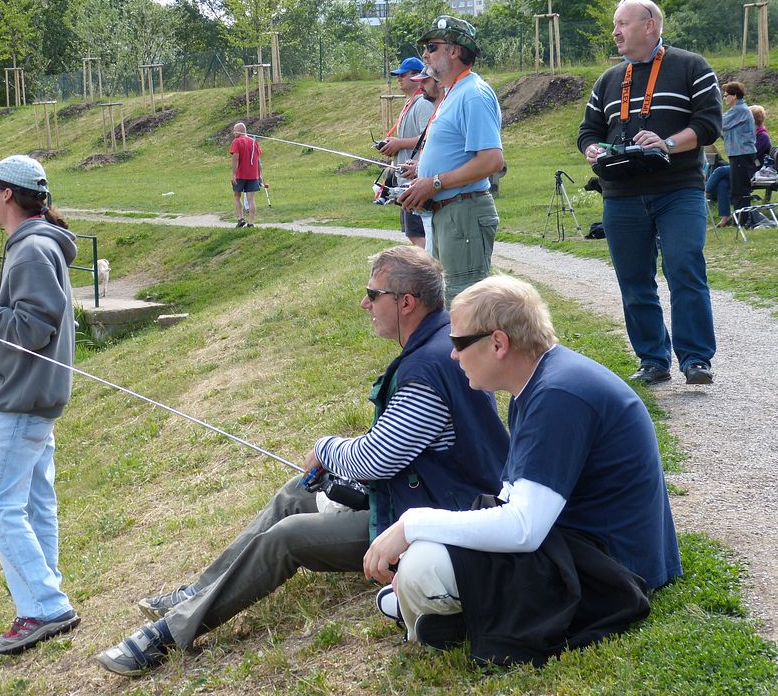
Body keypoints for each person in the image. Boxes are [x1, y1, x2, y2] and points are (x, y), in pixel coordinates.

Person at [96, 246, 510, 677]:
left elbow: (377, 459)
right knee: (295, 494)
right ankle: (197, 592)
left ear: (406, 302)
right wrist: (336, 458)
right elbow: (399, 444)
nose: (364, 303)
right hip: (423, 498)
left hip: (437, 521)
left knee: (289, 536)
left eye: (373, 294)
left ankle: (168, 633)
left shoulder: (427, 366)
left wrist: (325, 448)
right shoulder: (439, 345)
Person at [363, 275, 682, 667]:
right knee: (432, 549)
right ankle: (458, 615)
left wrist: (412, 524)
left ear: (498, 343)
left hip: (615, 569)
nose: (453, 355)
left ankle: (457, 617)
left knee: (422, 565)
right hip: (578, 544)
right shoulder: (540, 384)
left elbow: (524, 529)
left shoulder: (558, 396)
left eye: (458, 342)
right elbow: (513, 501)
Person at [0, 154, 81, 655]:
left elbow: (32, 330)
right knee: (33, 504)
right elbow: (31, 324)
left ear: (6, 194)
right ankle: (44, 598)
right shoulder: (38, 245)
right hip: (35, 397)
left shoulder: (29, 251)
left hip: (20, 400)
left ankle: (44, 607)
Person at [578, 0, 722, 386]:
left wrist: (667, 144)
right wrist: (591, 148)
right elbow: (588, 130)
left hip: (678, 189)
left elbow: (709, 124)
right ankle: (653, 359)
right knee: (634, 280)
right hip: (621, 194)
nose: (615, 32)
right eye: (614, 25)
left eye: (622, 24)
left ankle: (696, 359)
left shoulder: (691, 66)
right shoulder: (608, 80)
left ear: (650, 25)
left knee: (684, 267)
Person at [397, 15, 504, 303]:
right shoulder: (454, 93)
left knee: (465, 303)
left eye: (431, 47)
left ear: (454, 50)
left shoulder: (473, 94)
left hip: (463, 214)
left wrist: (434, 183)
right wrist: (422, 173)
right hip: (449, 213)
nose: (425, 54)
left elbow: (492, 161)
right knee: (447, 302)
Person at [378, 56, 434, 248]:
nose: (399, 79)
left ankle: (430, 264)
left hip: (417, 180)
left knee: (419, 235)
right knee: (412, 233)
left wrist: (399, 143)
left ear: (416, 76)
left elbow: (428, 137)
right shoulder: (410, 103)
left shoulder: (423, 103)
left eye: (403, 75)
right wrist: (392, 145)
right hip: (406, 181)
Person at [708, 103, 772, 226]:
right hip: (742, 166)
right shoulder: (751, 133)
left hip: (751, 170)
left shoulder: (762, 136)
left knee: (720, 171)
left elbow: (749, 155)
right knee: (723, 184)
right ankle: (725, 217)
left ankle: (704, 192)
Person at [719, 81, 757, 227]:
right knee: (736, 187)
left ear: (734, 95)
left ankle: (743, 220)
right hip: (737, 155)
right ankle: (738, 219)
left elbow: (721, 123)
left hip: (742, 154)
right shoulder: (736, 110)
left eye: (726, 95)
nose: (724, 98)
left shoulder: (739, 110)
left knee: (741, 189)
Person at [230, 122, 263, 227]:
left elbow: (235, 159)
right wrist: (260, 175)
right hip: (253, 175)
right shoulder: (254, 142)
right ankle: (251, 222)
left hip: (240, 174)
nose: (234, 133)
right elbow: (258, 160)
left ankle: (241, 218)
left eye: (234, 131)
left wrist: (234, 174)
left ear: (239, 131)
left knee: (237, 196)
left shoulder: (236, 142)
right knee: (251, 199)